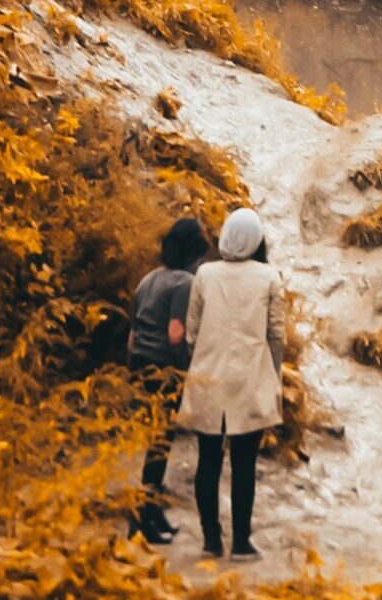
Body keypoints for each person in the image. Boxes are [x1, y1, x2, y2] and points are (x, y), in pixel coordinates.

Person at [176, 206, 287, 559]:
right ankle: (241, 542)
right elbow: (276, 336)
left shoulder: (205, 274)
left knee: (207, 461)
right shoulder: (269, 277)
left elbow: (191, 332)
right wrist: (276, 375)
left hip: (208, 377)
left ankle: (211, 540)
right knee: (244, 465)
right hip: (250, 380)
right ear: (257, 241)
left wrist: (206, 354)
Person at [126, 215, 209, 544]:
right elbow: (176, 334)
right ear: (192, 252)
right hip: (163, 369)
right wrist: (185, 370)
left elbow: (132, 337)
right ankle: (143, 522)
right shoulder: (183, 283)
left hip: (140, 367)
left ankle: (152, 513)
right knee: (159, 447)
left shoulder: (149, 280)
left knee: (153, 444)